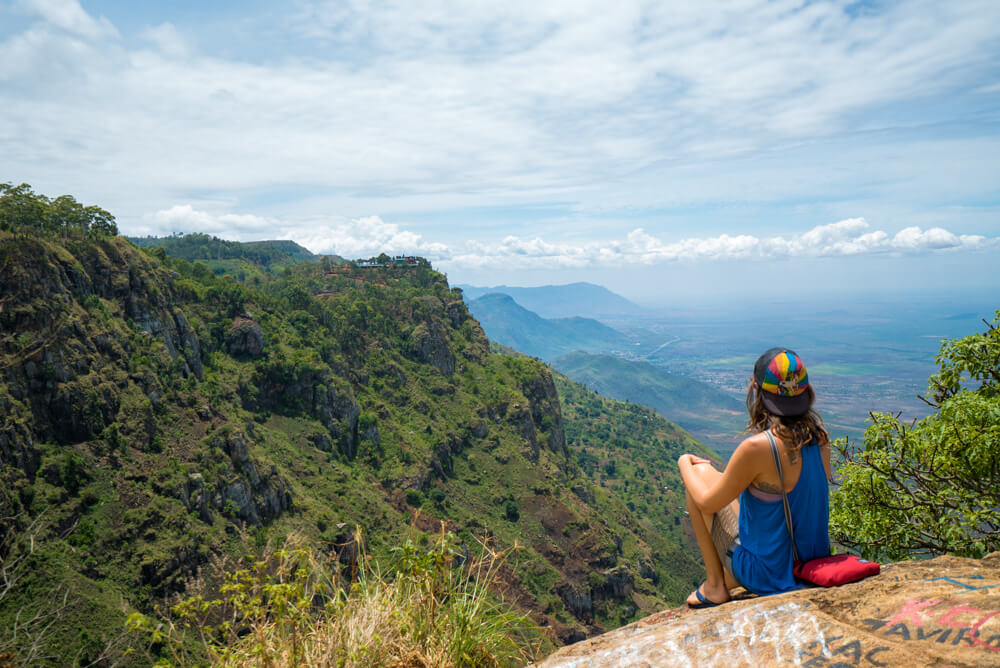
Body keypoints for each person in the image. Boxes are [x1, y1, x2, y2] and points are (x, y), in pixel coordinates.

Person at [677, 347, 832, 607]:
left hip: (768, 575)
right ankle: (729, 577)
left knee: (698, 476)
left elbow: (706, 503)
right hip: (811, 567)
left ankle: (715, 585)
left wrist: (684, 463)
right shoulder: (820, 439)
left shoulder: (757, 448)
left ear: (758, 392)